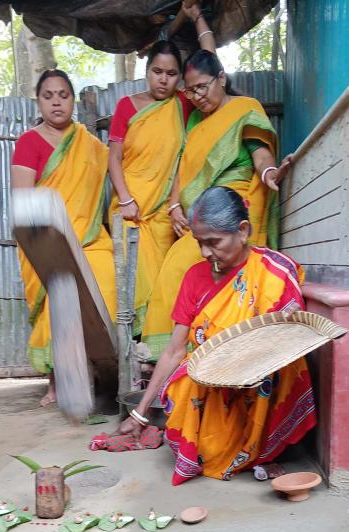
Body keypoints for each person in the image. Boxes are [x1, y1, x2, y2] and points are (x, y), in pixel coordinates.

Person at [120, 187, 316, 486]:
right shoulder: (194, 277)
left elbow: (287, 341)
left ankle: (263, 449)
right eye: (199, 243)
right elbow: (174, 351)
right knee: (188, 389)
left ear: (243, 230)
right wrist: (140, 413)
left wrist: (247, 363)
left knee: (283, 371)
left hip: (260, 378)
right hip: (211, 381)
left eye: (213, 242)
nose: (205, 253)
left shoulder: (274, 271)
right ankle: (233, 447)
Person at [143, 49, 292, 359]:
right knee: (174, 270)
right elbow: (182, 169)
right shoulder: (195, 120)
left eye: (202, 87)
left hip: (231, 207)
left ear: (221, 78)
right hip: (198, 215)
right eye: (191, 90)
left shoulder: (243, 109)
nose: (197, 96)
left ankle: (188, 351)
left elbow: (260, 151)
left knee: (187, 264)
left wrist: (268, 171)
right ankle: (170, 354)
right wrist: (174, 207)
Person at [108, 2, 215, 336]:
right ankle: (130, 356)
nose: (164, 80)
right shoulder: (127, 106)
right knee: (130, 286)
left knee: (158, 289)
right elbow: (114, 159)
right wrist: (125, 200)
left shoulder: (182, 105)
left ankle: (150, 357)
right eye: (158, 72)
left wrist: (197, 18)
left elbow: (211, 64)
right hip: (129, 211)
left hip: (163, 215)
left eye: (171, 74)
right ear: (147, 71)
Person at [11, 69, 116, 406]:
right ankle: (57, 380)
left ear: (72, 100)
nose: (56, 101)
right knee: (56, 297)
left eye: (63, 95)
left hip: (89, 237)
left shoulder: (91, 146)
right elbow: (22, 199)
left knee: (104, 291)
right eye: (48, 95)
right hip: (46, 236)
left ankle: (101, 373)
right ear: (38, 102)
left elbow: (106, 190)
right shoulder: (29, 142)